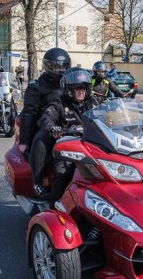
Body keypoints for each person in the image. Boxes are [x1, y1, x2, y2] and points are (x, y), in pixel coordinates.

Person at [37, 67, 98, 204]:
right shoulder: (60, 103)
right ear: (69, 89)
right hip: (67, 148)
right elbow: (46, 118)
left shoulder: (93, 103)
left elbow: (106, 116)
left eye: (84, 87)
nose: (81, 90)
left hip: (91, 146)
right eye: (77, 87)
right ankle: (55, 206)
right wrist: (53, 127)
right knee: (63, 172)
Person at [19, 48, 72, 196]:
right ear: (48, 66)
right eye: (57, 66)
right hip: (45, 126)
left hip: (69, 125)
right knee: (41, 139)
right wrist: (24, 141)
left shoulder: (69, 82)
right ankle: (38, 182)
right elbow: (29, 113)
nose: (61, 70)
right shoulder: (37, 86)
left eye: (64, 66)